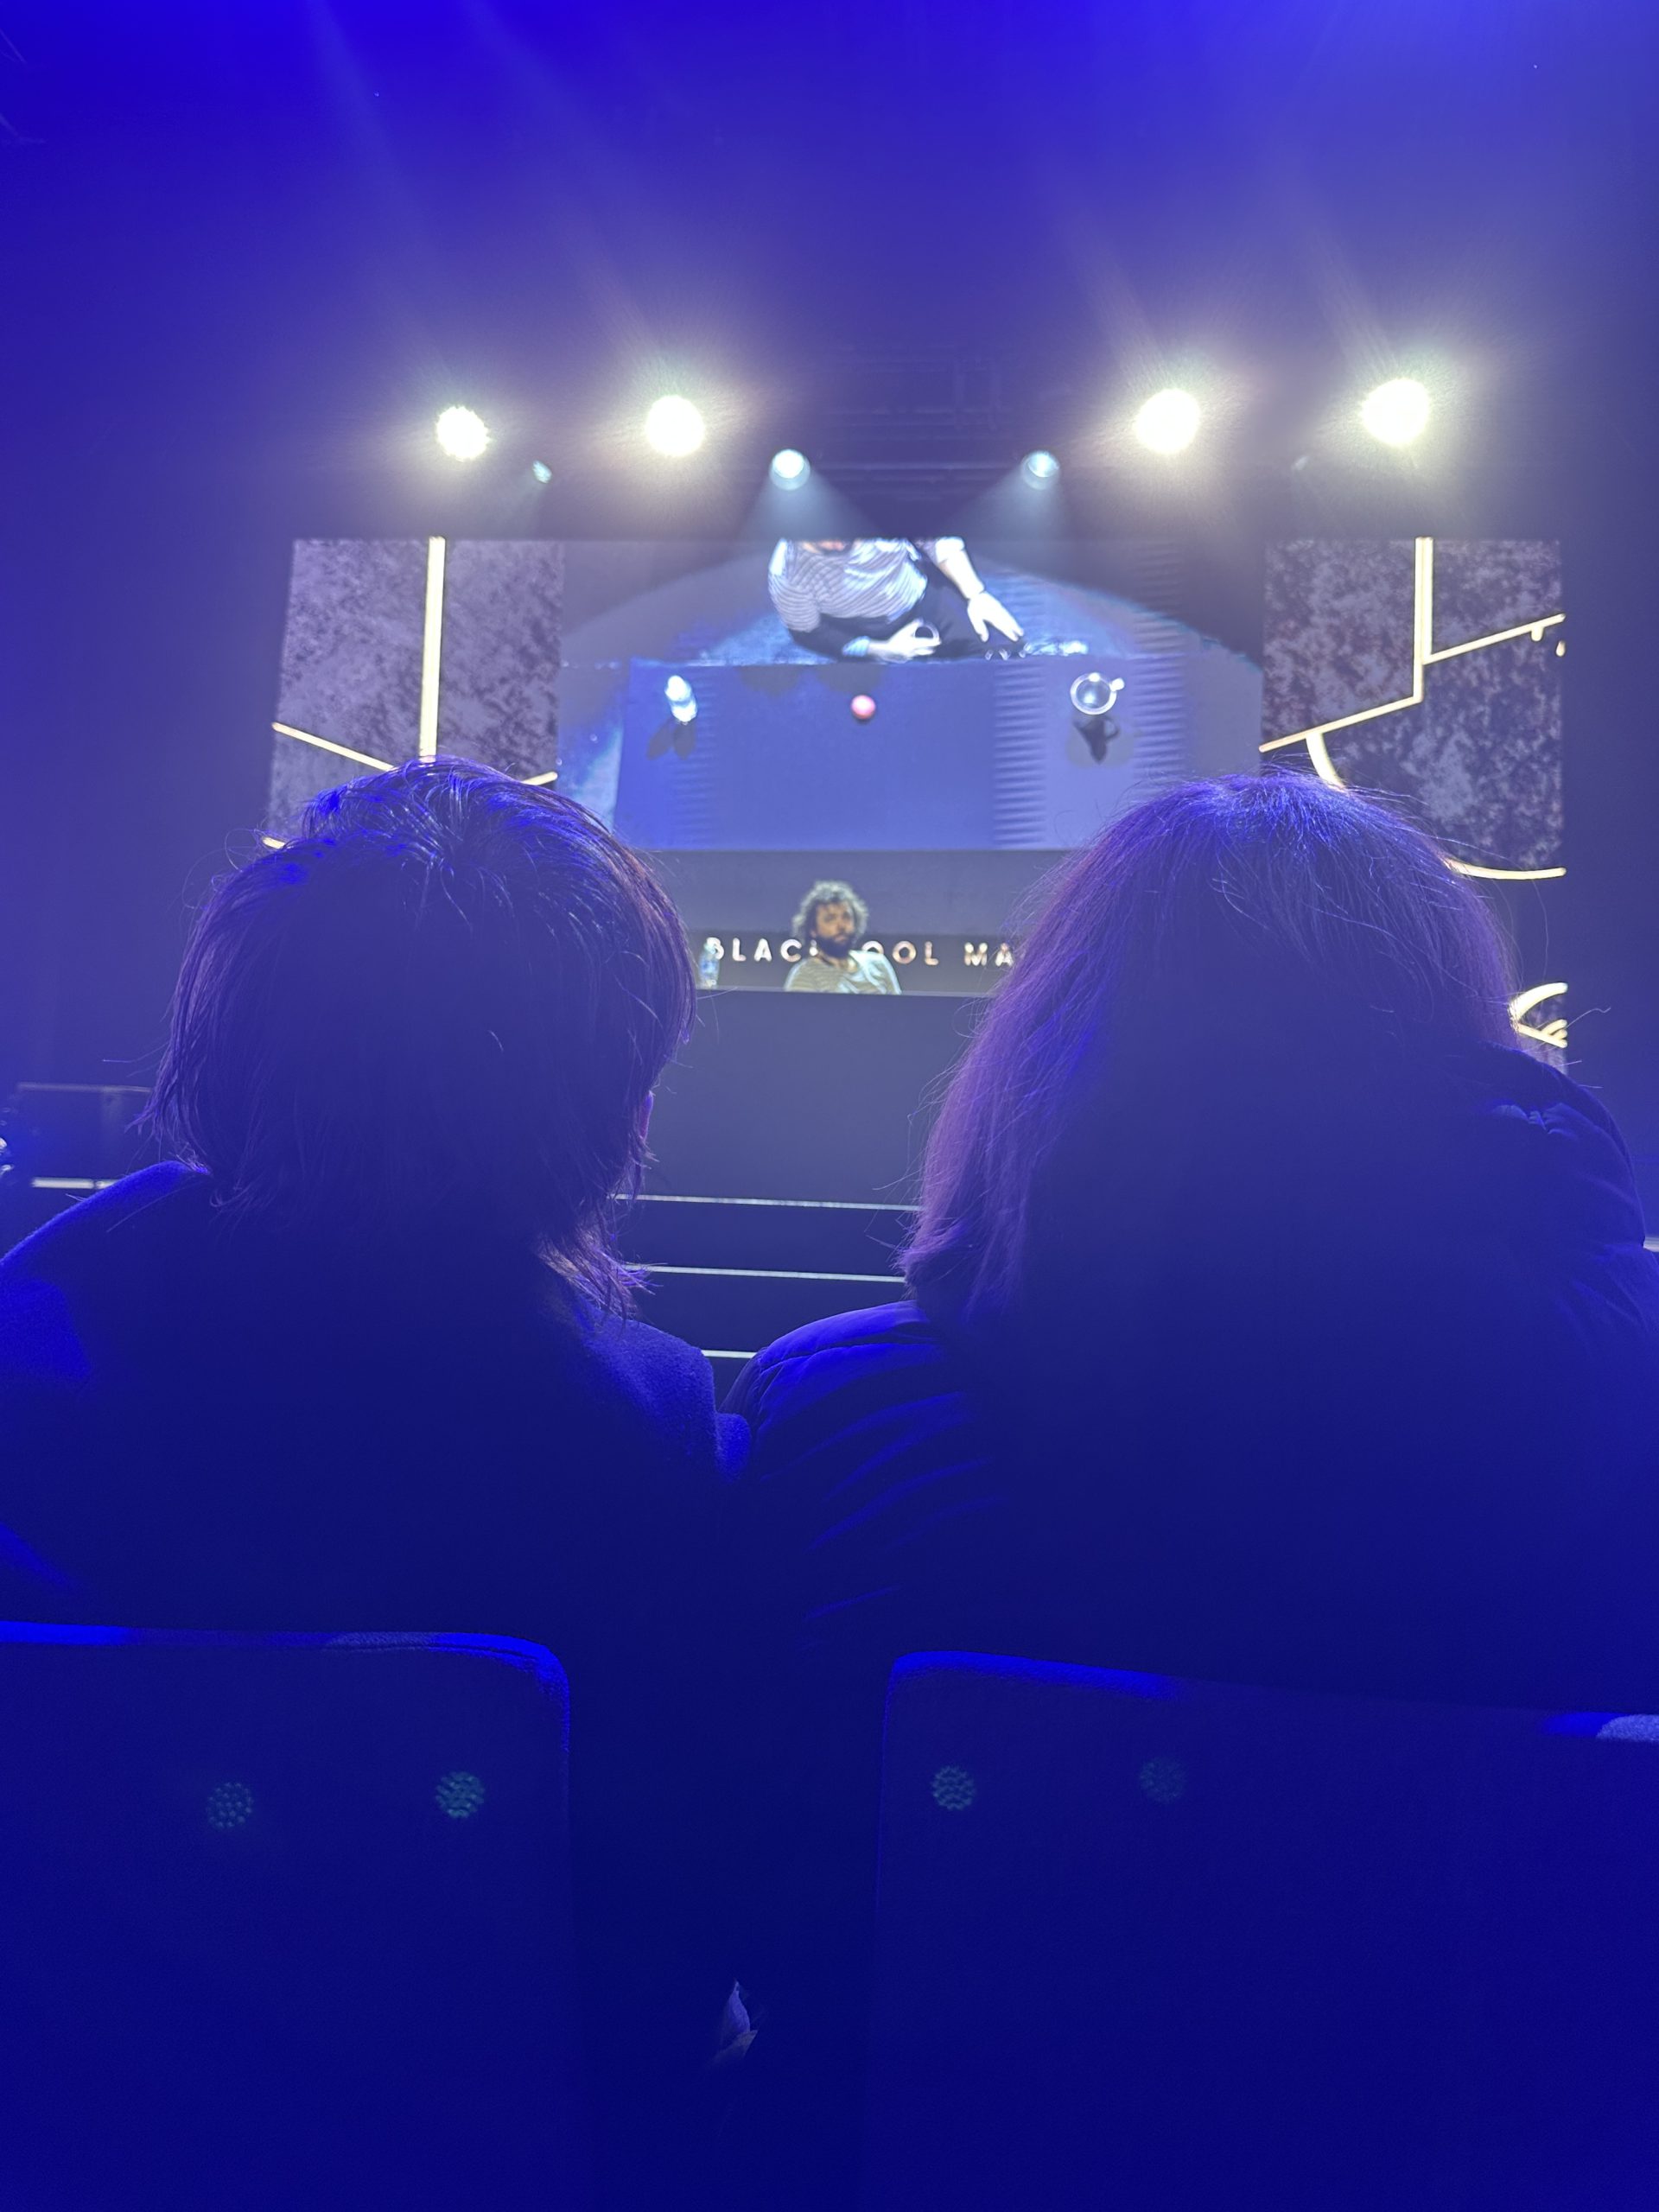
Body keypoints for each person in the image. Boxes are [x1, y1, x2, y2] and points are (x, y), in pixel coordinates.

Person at [725, 773, 1659, 2205]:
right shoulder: (1624, 1434)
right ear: (1461, 1057)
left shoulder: (832, 1411)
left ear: (1048, 1054)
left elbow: (752, 1917)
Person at [0, 760, 744, 2209]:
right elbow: (658, 1980)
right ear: (612, 1103)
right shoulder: (643, 1430)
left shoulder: (42, 1339)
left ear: (222, 1035)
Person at [767, 537, 1024, 661]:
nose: (836, 541)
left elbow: (938, 540)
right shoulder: (787, 572)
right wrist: (882, 649)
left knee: (1004, 648)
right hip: (861, 629)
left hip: (922, 596)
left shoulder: (881, 508)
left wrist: (977, 595)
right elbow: (809, 633)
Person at [785, 880, 900, 995]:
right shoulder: (805, 975)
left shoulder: (878, 964)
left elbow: (899, 1006)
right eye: (830, 919)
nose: (841, 926)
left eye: (846, 917)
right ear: (813, 930)